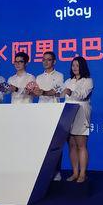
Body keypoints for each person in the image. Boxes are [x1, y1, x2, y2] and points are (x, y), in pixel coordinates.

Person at [62, 56, 93, 183]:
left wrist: (70, 92)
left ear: (82, 67)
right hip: (68, 113)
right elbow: (60, 93)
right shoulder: (68, 81)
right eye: (73, 65)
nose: (75, 68)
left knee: (81, 145)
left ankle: (82, 173)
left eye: (77, 65)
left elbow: (82, 95)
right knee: (72, 145)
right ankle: (75, 173)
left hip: (81, 112)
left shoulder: (88, 81)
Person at [34, 51, 64, 180]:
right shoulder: (38, 77)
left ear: (54, 61)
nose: (45, 62)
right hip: (41, 111)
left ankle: (56, 171)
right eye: (44, 59)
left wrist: (43, 92)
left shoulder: (59, 76)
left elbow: (55, 91)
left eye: (49, 59)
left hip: (54, 110)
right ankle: (42, 171)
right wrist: (32, 92)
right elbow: (36, 93)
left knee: (56, 144)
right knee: (41, 143)